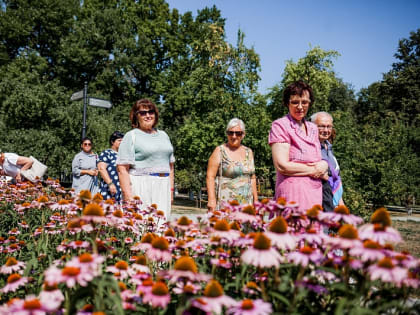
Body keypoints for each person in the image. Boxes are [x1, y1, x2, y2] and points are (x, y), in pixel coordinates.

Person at [268, 80, 328, 211]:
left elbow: (319, 160)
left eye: (304, 102)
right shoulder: (280, 126)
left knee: (312, 230)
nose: (300, 107)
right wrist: (314, 170)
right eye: (295, 102)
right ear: (287, 103)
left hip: (315, 195)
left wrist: (325, 164)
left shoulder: (313, 128)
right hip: (292, 195)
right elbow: (282, 165)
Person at [117, 99, 175, 218]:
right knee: (142, 224)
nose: (148, 115)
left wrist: (171, 191)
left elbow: (170, 166)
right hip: (141, 185)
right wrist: (128, 196)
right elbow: (122, 169)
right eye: (143, 113)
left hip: (163, 185)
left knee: (161, 225)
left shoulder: (164, 135)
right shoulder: (131, 136)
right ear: (136, 116)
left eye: (151, 112)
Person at [206, 118, 258, 211]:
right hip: (224, 204)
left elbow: (252, 178)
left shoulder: (249, 152)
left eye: (238, 133)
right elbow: (210, 176)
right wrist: (211, 199)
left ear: (243, 134)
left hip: (246, 204)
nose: (234, 136)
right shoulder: (219, 151)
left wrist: (256, 201)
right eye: (231, 132)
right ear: (227, 133)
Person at [311, 112, 344, 208]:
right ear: (312, 126)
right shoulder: (310, 147)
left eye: (329, 126)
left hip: (334, 200)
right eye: (321, 126)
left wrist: (340, 202)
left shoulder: (328, 146)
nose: (326, 130)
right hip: (321, 201)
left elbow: (335, 175)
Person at [98, 131, 125, 202]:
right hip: (110, 189)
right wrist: (110, 184)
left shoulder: (125, 155)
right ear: (112, 142)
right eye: (119, 140)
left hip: (123, 190)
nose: (122, 142)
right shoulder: (107, 153)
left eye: (123, 141)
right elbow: (101, 169)